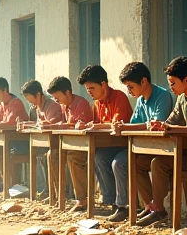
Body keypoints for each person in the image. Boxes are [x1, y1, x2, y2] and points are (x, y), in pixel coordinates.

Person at [136, 57, 187, 227]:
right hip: (183, 150)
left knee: (159, 163)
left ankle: (159, 210)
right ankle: (154, 208)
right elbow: (172, 122)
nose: (171, 88)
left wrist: (185, 128)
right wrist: (162, 125)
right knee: (143, 162)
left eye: (173, 83)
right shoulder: (182, 99)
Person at [102, 62, 173, 220]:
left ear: (144, 81)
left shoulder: (163, 96)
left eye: (131, 86)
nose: (129, 91)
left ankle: (157, 208)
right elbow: (133, 125)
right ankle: (148, 206)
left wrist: (128, 127)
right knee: (122, 162)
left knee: (131, 162)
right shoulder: (141, 100)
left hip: (161, 149)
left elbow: (156, 124)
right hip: (144, 148)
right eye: (127, 87)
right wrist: (121, 126)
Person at [77, 65, 133, 217]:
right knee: (98, 157)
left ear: (103, 84)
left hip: (124, 144)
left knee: (117, 162)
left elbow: (117, 124)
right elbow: (97, 126)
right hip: (108, 145)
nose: (90, 92)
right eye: (87, 89)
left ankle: (123, 206)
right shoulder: (96, 104)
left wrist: (93, 125)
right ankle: (111, 201)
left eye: (92, 88)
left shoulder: (119, 97)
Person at [45, 75, 94, 209]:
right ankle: (59, 196)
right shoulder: (64, 105)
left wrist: (61, 125)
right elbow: (65, 123)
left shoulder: (81, 103)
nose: (56, 100)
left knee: (73, 157)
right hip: (69, 144)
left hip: (84, 145)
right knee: (52, 154)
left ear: (67, 92)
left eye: (57, 97)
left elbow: (80, 125)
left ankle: (82, 199)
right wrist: (51, 124)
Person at [0, 76, 29, 194]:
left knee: (1, 151)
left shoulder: (16, 103)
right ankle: (1, 182)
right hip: (7, 141)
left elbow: (10, 122)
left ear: (5, 90)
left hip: (20, 142)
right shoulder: (2, 105)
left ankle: (10, 183)